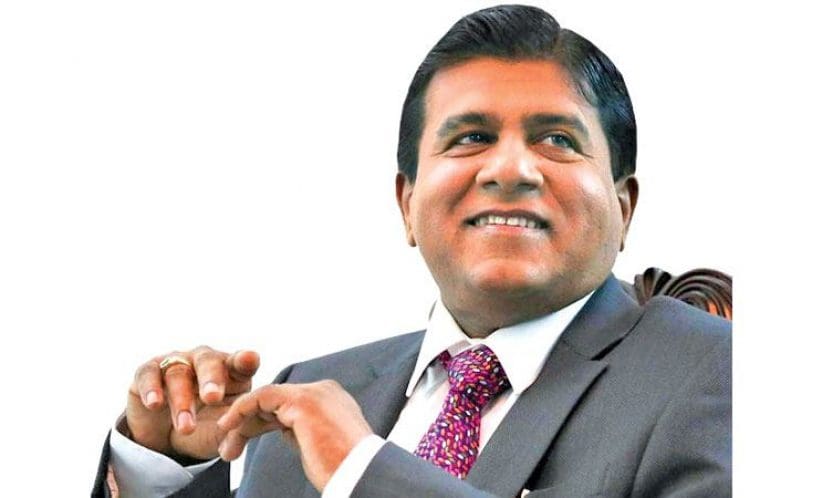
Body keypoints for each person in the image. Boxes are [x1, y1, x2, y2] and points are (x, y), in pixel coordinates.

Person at [93, 4, 731, 497]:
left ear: (624, 208)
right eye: (471, 137)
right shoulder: (307, 394)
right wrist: (167, 466)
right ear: (407, 204)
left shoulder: (718, 374)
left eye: (558, 140)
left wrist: (363, 472)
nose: (510, 169)